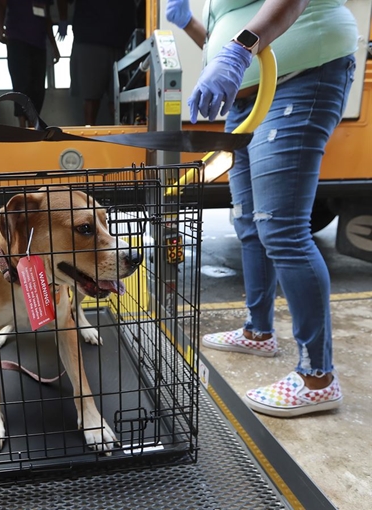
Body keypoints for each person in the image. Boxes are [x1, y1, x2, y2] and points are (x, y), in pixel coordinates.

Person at [166, 0, 357, 417]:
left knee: (282, 230)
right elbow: (230, 34)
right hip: (245, 100)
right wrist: (195, 26)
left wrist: (237, 51)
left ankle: (317, 378)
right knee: (249, 223)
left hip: (299, 78)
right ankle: (258, 332)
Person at [68, 0, 136, 125]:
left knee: (118, 100)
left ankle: (122, 139)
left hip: (120, 43)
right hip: (91, 40)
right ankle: (89, 140)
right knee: (91, 99)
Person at [0, 0, 61, 127]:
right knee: (21, 83)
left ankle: (33, 124)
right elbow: (1, 3)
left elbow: (47, 17)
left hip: (39, 44)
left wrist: (54, 45)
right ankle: (22, 126)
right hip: (17, 40)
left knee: (38, 87)